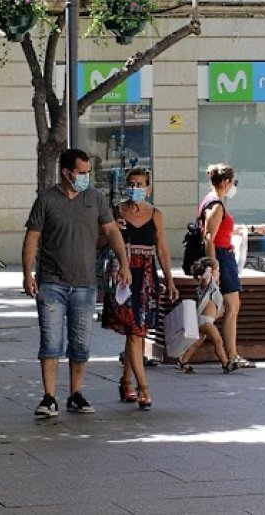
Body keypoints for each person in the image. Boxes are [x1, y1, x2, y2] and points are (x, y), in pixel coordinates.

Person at [22, 148, 130, 417]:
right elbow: (32, 237)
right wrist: (27, 273)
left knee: (80, 343)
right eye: (81, 173)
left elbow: (112, 231)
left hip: (84, 283)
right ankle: (49, 397)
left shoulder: (95, 199)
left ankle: (76, 393)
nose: (85, 177)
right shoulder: (46, 200)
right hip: (51, 283)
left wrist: (124, 263)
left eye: (88, 173)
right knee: (51, 342)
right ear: (66, 173)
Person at [105, 168, 177, 410]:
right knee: (133, 330)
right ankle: (143, 387)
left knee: (137, 332)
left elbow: (163, 249)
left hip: (145, 275)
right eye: (131, 184)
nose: (135, 188)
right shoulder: (116, 212)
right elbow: (100, 241)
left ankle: (126, 381)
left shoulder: (156, 214)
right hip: (123, 275)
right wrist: (113, 228)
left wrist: (170, 280)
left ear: (149, 188)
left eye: (140, 184)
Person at [199, 163, 255, 370]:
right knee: (232, 306)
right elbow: (209, 237)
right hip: (222, 257)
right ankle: (231, 354)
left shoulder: (211, 201)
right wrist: (214, 265)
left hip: (222, 256)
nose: (234, 186)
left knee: (223, 308)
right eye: (234, 182)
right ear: (225, 182)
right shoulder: (216, 205)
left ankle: (227, 353)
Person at [175, 257, 233, 373]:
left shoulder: (214, 287)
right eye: (217, 271)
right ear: (210, 272)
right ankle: (225, 363)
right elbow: (205, 277)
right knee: (218, 341)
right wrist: (209, 270)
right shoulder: (207, 285)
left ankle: (183, 361)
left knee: (197, 343)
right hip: (205, 321)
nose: (219, 274)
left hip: (205, 320)